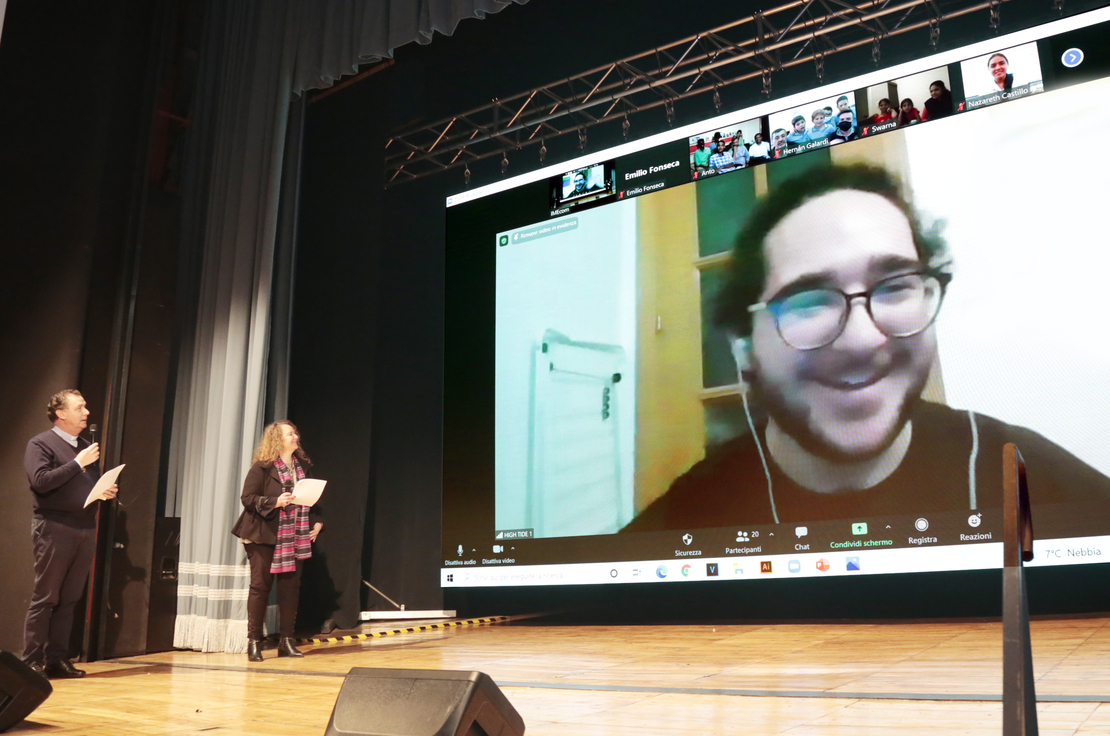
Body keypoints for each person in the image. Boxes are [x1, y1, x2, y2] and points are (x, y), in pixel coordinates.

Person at [620, 164, 1110, 531]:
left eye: (895, 287)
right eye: (809, 300)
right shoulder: (687, 518)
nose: (862, 340)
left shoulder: (1023, 474)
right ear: (745, 346)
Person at [23, 390, 118, 678]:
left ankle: (57, 658)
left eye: (85, 407)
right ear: (61, 414)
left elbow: (83, 486)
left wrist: (103, 491)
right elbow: (40, 481)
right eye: (80, 407)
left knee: (70, 598)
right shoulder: (41, 443)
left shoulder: (86, 447)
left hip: (84, 527)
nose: (86, 412)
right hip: (54, 527)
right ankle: (31, 661)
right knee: (47, 597)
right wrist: (78, 463)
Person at [231, 421, 323, 662]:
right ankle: (254, 641)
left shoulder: (303, 467)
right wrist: (275, 502)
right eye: (290, 433)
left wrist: (317, 523)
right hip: (263, 534)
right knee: (260, 587)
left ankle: (286, 641)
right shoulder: (262, 467)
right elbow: (247, 498)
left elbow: (312, 500)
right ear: (277, 439)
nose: (295, 436)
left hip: (295, 536)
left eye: (295, 432)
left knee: (290, 589)